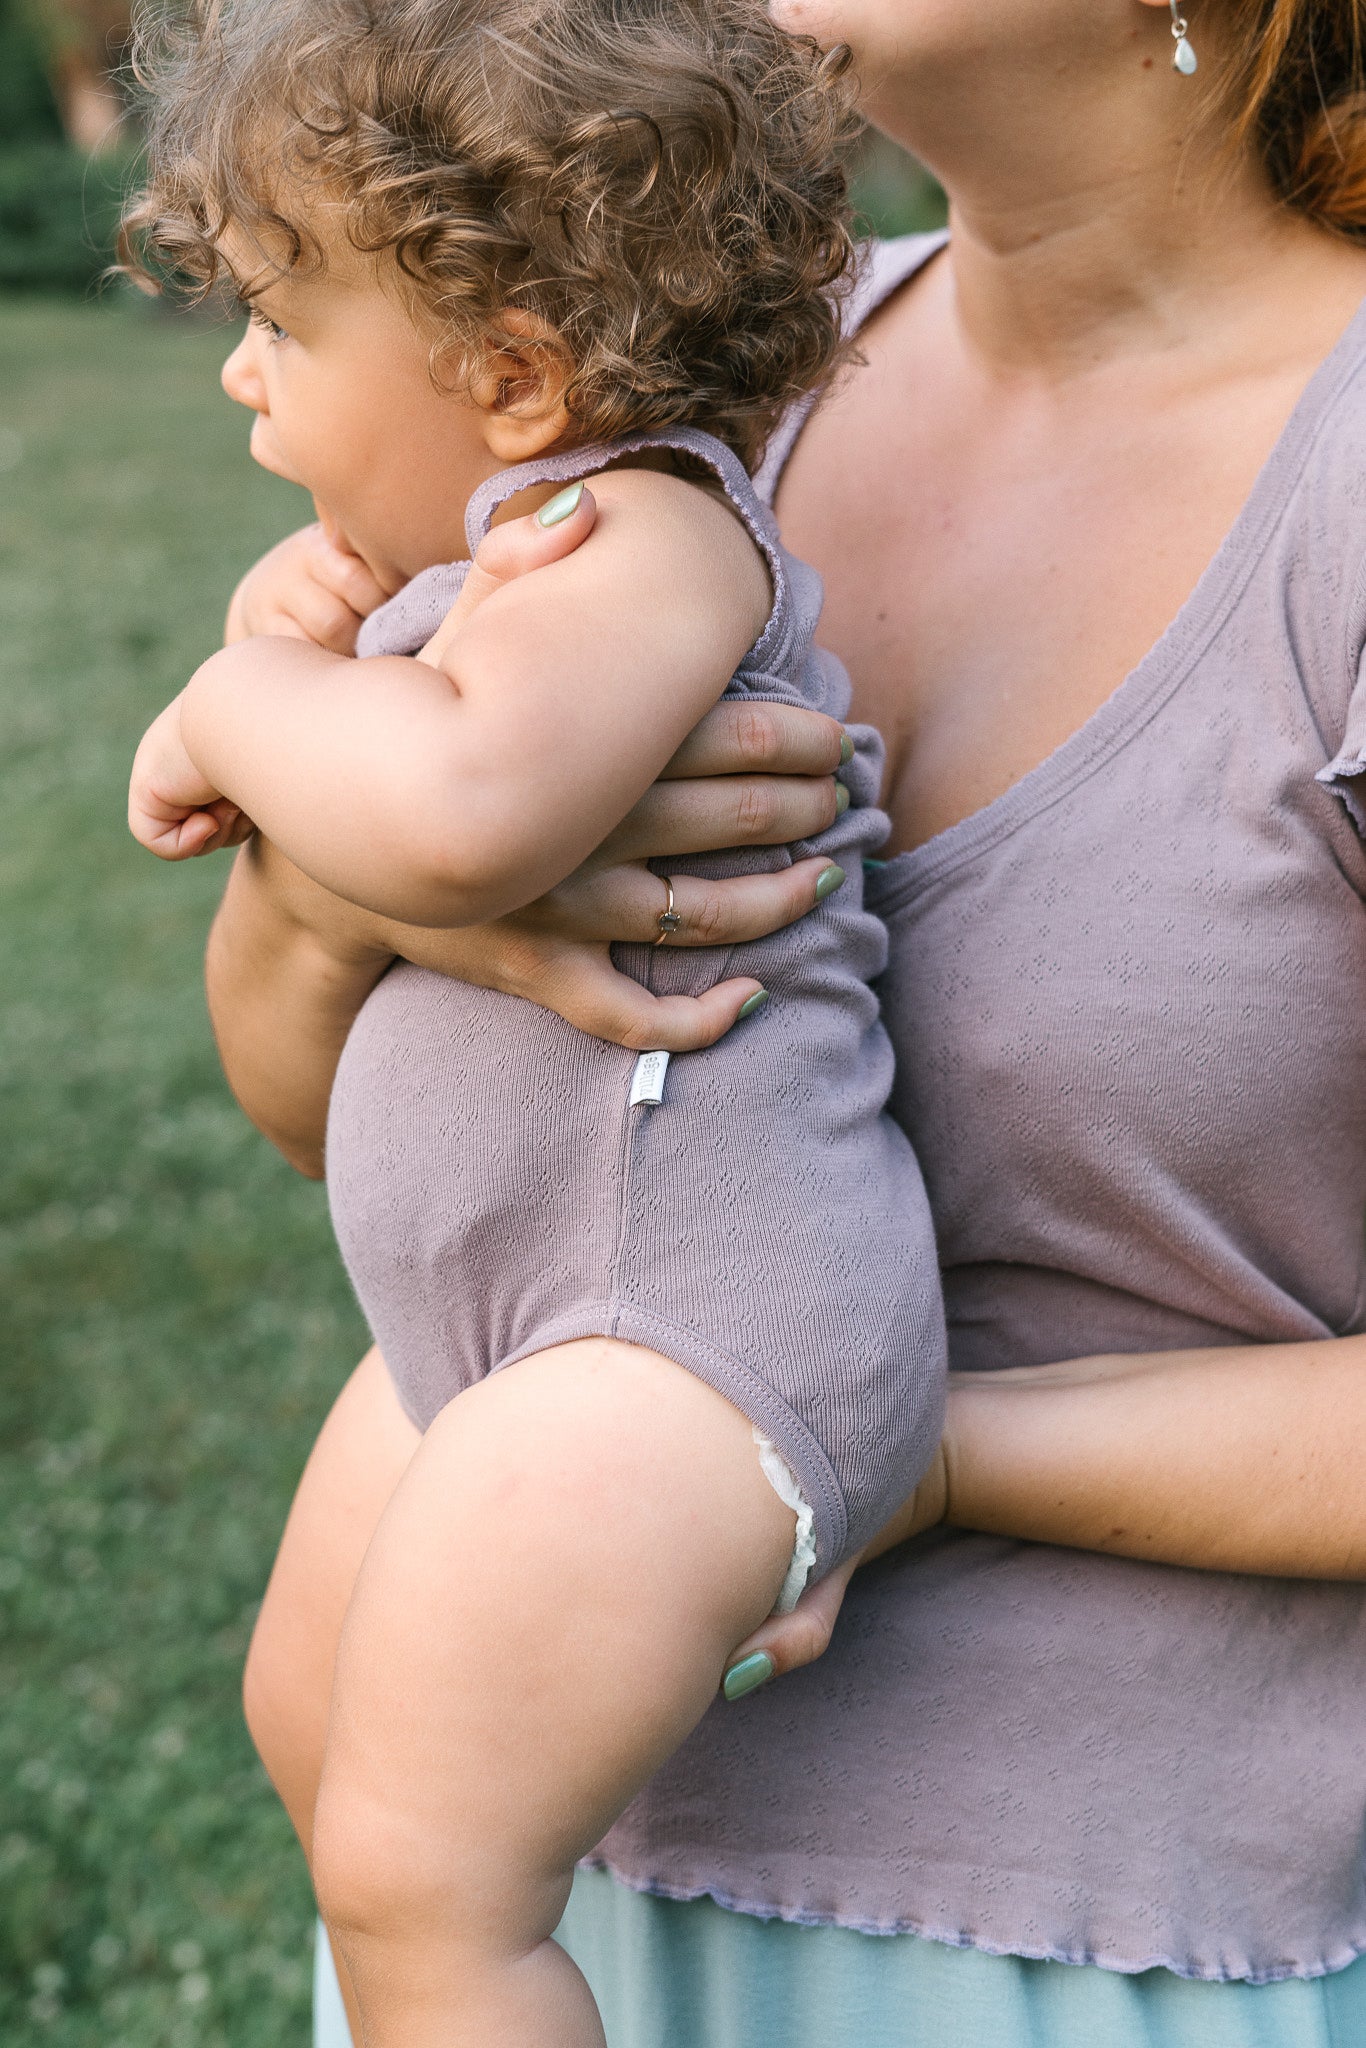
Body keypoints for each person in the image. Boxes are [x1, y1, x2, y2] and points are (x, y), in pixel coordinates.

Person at [205, 0, 1366, 2043]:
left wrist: (897, 1452)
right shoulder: (689, 371)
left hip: (1066, 1931)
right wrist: (318, 895)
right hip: (522, 1840)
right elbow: (334, 1112)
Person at [119, 2, 950, 2042]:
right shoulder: (498, 565)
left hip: (685, 1331)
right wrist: (323, 637)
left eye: (281, 325)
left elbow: (458, 812)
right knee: (312, 1721)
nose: (240, 370)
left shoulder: (645, 538)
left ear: (510, 380)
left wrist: (243, 699)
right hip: (515, 1319)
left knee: (427, 1886)